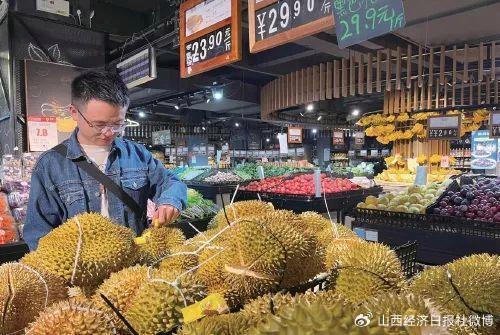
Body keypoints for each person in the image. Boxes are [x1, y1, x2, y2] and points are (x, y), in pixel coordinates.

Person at [24, 71, 187, 250]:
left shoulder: (137, 154)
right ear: (74, 113)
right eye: (99, 124)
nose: (109, 132)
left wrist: (170, 201)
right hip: (81, 272)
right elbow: (39, 235)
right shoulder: (50, 165)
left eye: (117, 124)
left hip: (134, 269)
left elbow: (170, 182)